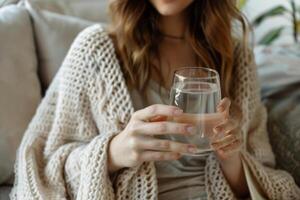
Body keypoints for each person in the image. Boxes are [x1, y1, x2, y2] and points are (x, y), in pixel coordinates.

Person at [11, 0, 300, 199]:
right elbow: (42, 169)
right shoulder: (96, 49)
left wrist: (231, 157)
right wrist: (113, 152)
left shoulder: (235, 58)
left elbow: (264, 179)